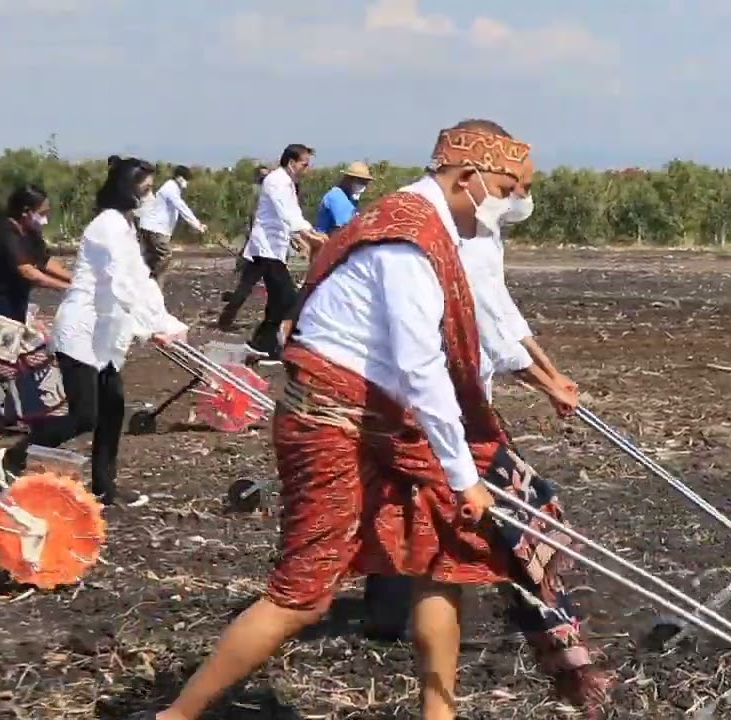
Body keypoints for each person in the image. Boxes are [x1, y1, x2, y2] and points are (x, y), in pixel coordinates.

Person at [134, 120, 603, 720]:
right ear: (468, 178)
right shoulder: (407, 242)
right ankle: (176, 716)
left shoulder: (435, 229)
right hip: (331, 425)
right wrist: (464, 477)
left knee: (441, 558)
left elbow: (473, 333)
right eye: (511, 189)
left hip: (383, 419)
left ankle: (442, 713)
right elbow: (420, 365)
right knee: (303, 596)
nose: (517, 203)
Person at [363, 152, 578, 641]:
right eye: (515, 188)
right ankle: (405, 607)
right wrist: (544, 383)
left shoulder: (485, 234)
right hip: (437, 388)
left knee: (434, 496)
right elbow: (484, 326)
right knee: (440, 493)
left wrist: (551, 370)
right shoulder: (450, 237)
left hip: (465, 386)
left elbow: (504, 311)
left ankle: (413, 605)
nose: (521, 199)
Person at [3, 159, 187, 507]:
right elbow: (120, 285)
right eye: (145, 190)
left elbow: (141, 281)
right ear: (127, 190)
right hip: (80, 332)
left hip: (103, 333)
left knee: (114, 409)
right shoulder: (107, 227)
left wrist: (167, 323)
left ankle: (105, 488)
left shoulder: (125, 226)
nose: (150, 196)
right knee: (83, 416)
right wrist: (149, 329)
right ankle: (14, 458)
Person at [239, 144, 324, 359]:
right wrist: (310, 236)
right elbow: (287, 214)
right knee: (286, 299)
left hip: (273, 249)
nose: (307, 169)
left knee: (279, 300)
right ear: (291, 162)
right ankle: (263, 345)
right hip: (266, 248)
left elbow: (295, 214)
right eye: (305, 164)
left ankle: (262, 346)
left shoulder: (287, 182)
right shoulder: (277, 181)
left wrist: (310, 233)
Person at [0, 185, 71, 320]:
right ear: (26, 211)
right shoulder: (4, 231)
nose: (45, 219)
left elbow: (44, 261)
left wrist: (74, 279)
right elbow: (26, 270)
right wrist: (65, 288)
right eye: (42, 213)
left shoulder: (31, 232)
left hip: (17, 299)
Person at [216, 164, 268, 329]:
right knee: (277, 289)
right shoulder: (263, 195)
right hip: (264, 250)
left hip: (257, 248)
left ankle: (226, 318)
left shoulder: (257, 194)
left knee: (246, 286)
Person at [137, 165, 208, 284]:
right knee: (166, 256)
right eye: (186, 179)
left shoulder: (171, 188)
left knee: (152, 260)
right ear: (180, 178)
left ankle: (149, 287)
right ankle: (149, 280)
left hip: (151, 227)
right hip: (156, 229)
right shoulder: (170, 189)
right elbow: (182, 208)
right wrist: (197, 225)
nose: (187, 183)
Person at [313, 161, 373, 234]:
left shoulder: (351, 199)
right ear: (348, 179)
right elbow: (345, 228)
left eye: (365, 182)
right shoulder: (336, 197)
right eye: (360, 181)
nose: (363, 185)